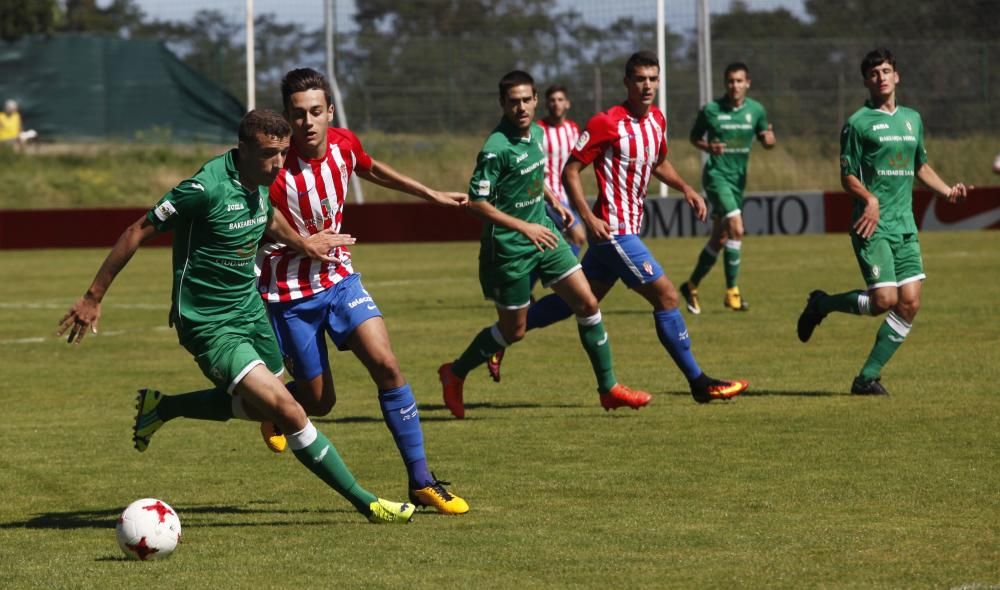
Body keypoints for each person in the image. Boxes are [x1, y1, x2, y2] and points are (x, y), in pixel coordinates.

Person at [58, 110, 415, 524]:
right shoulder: (204, 188)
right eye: (268, 155)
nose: (279, 164)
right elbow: (138, 229)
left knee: (274, 406)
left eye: (283, 153)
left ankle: (163, 408)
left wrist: (304, 245)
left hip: (250, 309)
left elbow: (270, 217)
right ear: (243, 149)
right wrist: (92, 296)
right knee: (291, 411)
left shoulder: (260, 181)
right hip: (209, 322)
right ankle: (367, 502)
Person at [255, 68, 469, 515]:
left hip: (339, 280)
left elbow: (371, 168)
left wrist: (428, 193)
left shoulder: (344, 144)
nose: (308, 122)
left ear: (330, 111)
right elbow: (254, 227)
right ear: (287, 120)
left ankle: (422, 481)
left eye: (316, 111)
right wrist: (299, 245)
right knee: (319, 401)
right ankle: (274, 409)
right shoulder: (273, 170)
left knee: (387, 365)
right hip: (291, 295)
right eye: (298, 115)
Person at [488, 51, 749, 404]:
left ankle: (501, 337)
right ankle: (699, 383)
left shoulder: (657, 119)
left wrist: (685, 187)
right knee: (668, 296)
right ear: (627, 83)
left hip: (625, 230)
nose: (647, 86)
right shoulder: (606, 123)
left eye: (653, 79)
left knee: (577, 303)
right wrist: (589, 217)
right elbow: (570, 171)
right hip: (613, 231)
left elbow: (658, 161)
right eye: (640, 79)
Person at [438, 69, 652, 419]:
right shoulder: (495, 148)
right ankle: (455, 372)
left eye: (526, 100)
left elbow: (534, 176)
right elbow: (476, 204)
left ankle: (608, 389)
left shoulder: (537, 132)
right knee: (514, 331)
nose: (521, 107)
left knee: (587, 303)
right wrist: (524, 227)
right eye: (513, 102)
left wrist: (555, 204)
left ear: (535, 100)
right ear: (502, 104)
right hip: (508, 249)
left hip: (544, 235)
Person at [796, 48, 970, 395]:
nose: (882, 77)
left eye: (887, 71)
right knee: (884, 301)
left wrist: (946, 190)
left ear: (897, 76)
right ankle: (821, 304)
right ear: (866, 81)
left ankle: (866, 379)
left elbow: (919, 165)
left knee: (910, 303)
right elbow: (847, 176)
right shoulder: (857, 123)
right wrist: (870, 199)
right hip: (870, 224)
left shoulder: (912, 119)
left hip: (905, 224)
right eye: (875, 73)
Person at [486, 83, 584, 383]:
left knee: (580, 291)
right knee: (579, 238)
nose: (555, 104)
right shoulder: (531, 129)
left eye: (559, 100)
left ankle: (532, 289)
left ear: (566, 104)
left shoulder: (572, 130)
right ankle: (540, 284)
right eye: (551, 100)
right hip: (535, 201)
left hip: (559, 199)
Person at [681, 62, 775, 313]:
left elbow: (767, 139)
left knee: (720, 237)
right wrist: (707, 148)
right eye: (730, 81)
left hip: (738, 181)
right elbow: (694, 137)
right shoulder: (711, 110)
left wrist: (768, 140)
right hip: (716, 177)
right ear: (725, 84)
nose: (735, 85)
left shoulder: (756, 110)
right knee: (737, 227)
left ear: (748, 83)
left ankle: (690, 285)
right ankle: (732, 292)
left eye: (739, 81)